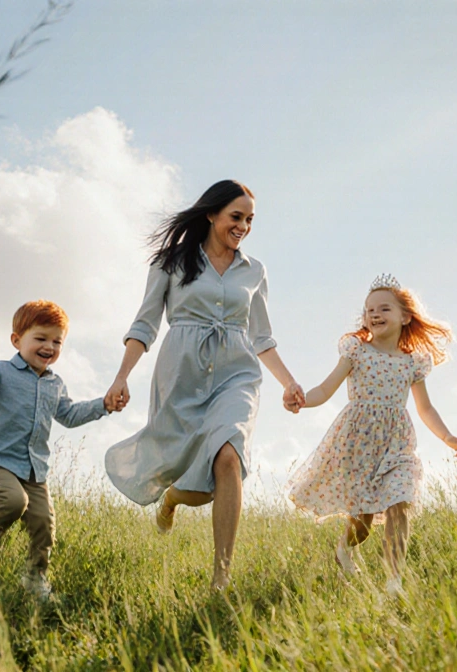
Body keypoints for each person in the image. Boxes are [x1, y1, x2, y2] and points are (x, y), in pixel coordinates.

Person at [103, 179, 305, 592]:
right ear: (211, 214)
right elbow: (144, 324)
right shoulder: (171, 261)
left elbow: (262, 336)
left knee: (228, 457)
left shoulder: (255, 271)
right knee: (197, 485)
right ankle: (173, 498)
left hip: (237, 373)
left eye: (250, 220)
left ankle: (221, 579)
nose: (244, 226)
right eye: (236, 217)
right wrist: (121, 376)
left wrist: (288, 382)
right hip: (182, 374)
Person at [286, 274, 457, 595]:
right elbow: (326, 389)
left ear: (405, 317)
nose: (375, 314)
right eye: (369, 310)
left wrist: (447, 436)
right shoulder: (356, 351)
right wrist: (303, 401)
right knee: (364, 524)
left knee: (400, 503)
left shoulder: (413, 362)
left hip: (397, 445)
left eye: (384, 309)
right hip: (357, 445)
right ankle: (345, 546)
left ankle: (393, 581)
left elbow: (425, 408)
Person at [0, 300, 113, 600]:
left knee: (44, 524)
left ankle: (35, 580)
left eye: (57, 341)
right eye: (40, 338)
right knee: (12, 501)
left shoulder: (55, 384)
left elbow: (70, 415)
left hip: (34, 469)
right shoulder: (0, 371)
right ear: (17, 340)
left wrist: (103, 405)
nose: (49, 346)